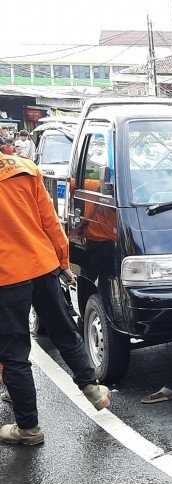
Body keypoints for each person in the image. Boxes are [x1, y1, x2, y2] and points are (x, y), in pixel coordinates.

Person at [0, 151, 110, 446]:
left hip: (7, 276)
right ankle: (92, 387)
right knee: (63, 329)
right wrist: (62, 263)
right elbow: (50, 222)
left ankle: (28, 428)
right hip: (43, 264)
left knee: (14, 353)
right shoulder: (25, 169)